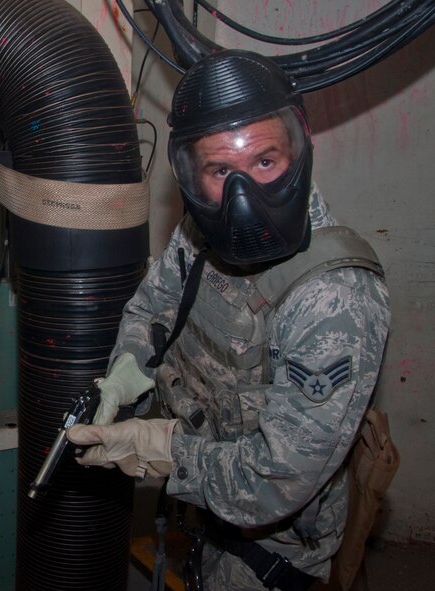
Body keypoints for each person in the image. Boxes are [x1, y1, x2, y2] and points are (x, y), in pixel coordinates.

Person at [66, 49, 390, 590]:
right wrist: (129, 367)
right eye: (220, 171)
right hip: (202, 512)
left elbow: (274, 482)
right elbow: (153, 308)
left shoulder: (335, 299)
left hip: (270, 555)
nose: (242, 200)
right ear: (193, 175)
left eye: (265, 161)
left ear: (299, 150)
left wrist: (161, 449)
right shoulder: (200, 231)